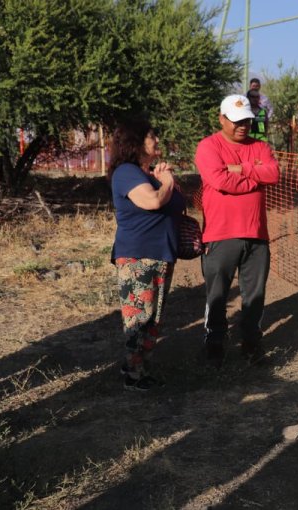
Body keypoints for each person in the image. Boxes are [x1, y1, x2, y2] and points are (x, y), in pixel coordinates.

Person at [194, 94, 280, 367]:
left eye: (247, 121)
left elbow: (274, 174)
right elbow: (220, 181)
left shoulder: (261, 147)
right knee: (217, 293)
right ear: (222, 119)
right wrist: (254, 178)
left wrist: (240, 168)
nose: (243, 126)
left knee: (255, 294)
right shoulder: (208, 146)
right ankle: (215, 343)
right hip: (220, 234)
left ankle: (251, 344)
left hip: (257, 234)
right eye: (236, 121)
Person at [108, 118, 184, 391]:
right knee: (139, 315)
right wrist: (166, 181)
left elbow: (172, 201)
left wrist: (161, 177)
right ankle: (133, 372)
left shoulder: (145, 173)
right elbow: (152, 201)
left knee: (153, 315)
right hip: (139, 255)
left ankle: (139, 366)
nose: (158, 141)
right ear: (137, 142)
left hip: (159, 253)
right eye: (153, 137)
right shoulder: (126, 172)